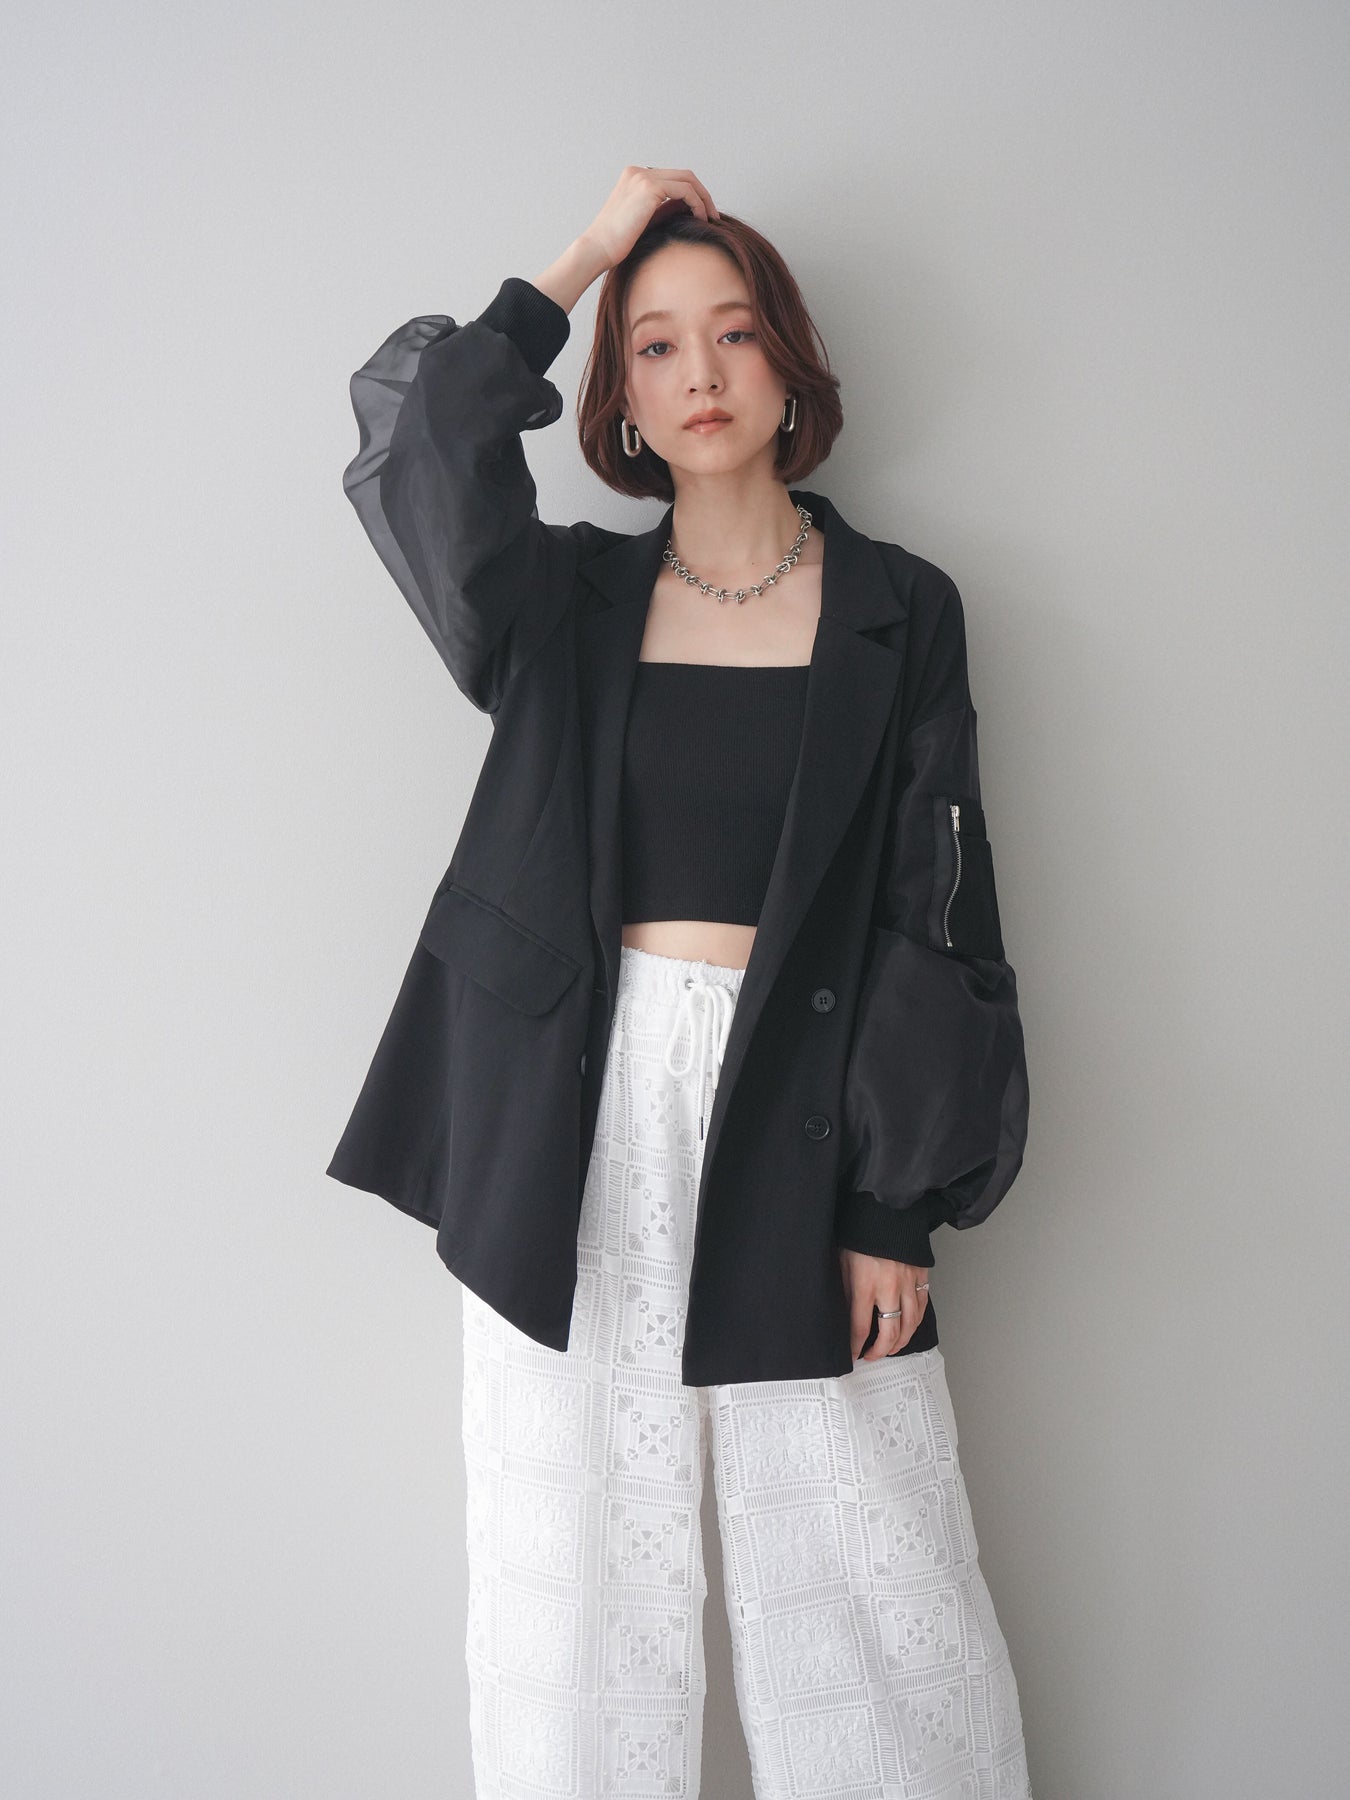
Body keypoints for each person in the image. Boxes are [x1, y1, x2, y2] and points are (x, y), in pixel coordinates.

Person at [333, 166, 1033, 1798]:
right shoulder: (560, 601)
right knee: (570, 1554)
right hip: (565, 1096)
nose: (699, 374)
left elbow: (936, 906)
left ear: (789, 364)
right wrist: (586, 252)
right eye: (653, 345)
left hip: (806, 1093)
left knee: (866, 1555)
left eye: (731, 333)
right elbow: (421, 453)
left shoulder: (899, 609)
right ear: (622, 399)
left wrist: (895, 1206)